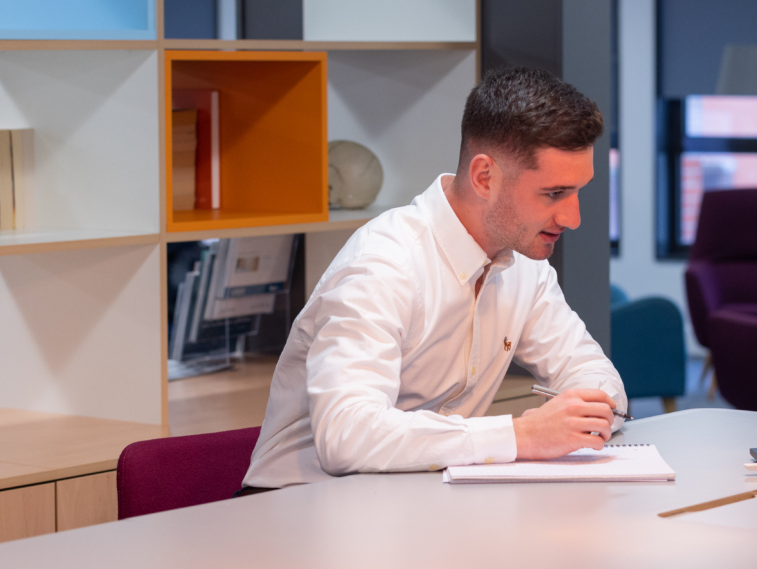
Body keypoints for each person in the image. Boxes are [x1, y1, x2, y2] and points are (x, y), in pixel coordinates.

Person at [239, 66, 627, 491]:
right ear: (485, 178)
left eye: (578, 191)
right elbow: (346, 437)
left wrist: (587, 408)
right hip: (298, 509)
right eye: (554, 194)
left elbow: (593, 373)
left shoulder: (525, 266)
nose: (573, 218)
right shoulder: (383, 263)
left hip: (414, 503)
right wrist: (521, 436)